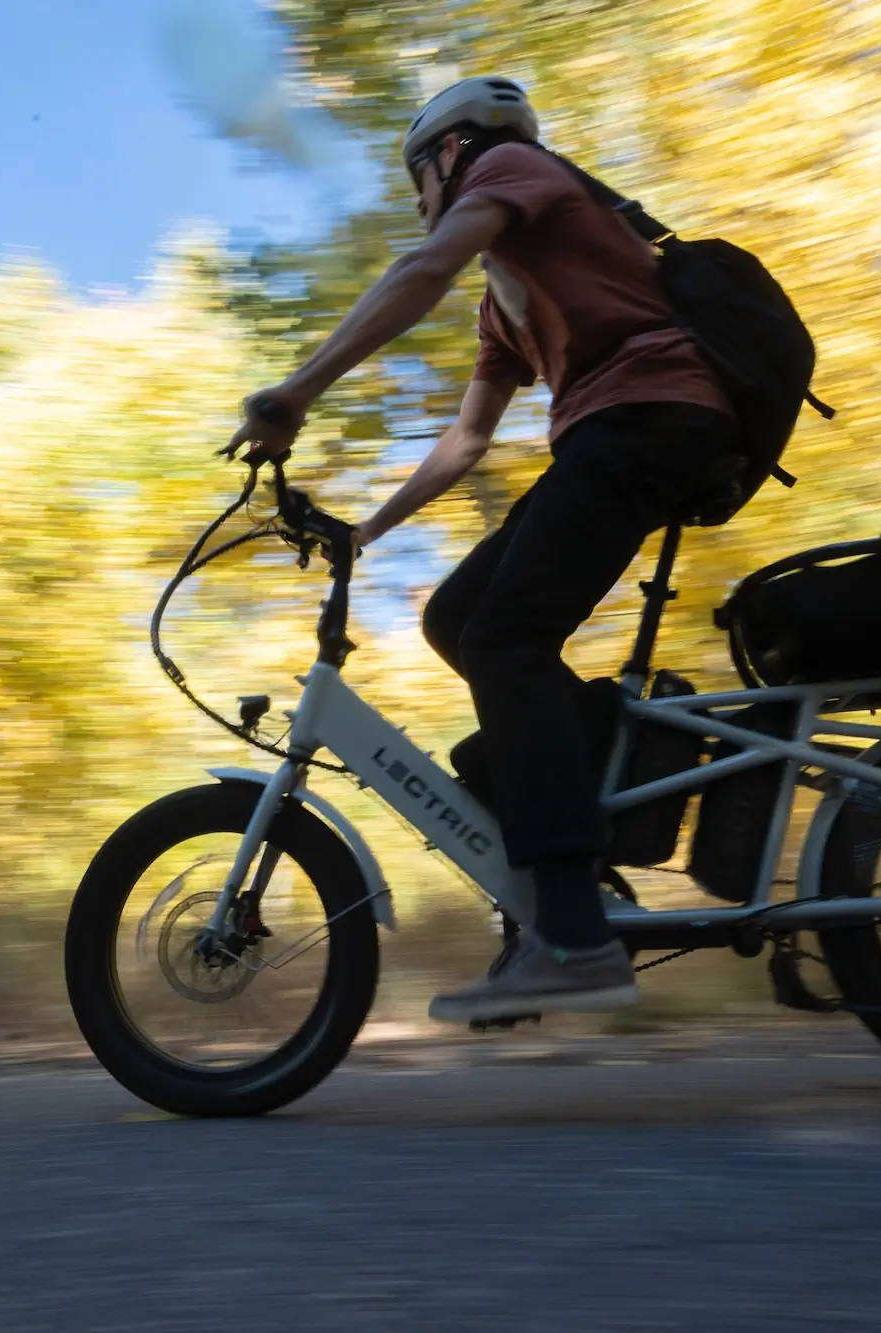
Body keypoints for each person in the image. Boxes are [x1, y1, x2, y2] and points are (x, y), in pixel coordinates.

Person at [226, 76, 743, 1024]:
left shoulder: (514, 167)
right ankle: (588, 818)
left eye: (418, 177)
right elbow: (466, 442)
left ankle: (574, 935)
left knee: (507, 640)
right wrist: (363, 532)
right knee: (458, 618)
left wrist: (296, 392)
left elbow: (423, 269)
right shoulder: (506, 302)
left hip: (649, 417)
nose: (421, 200)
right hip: (616, 434)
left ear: (451, 153)